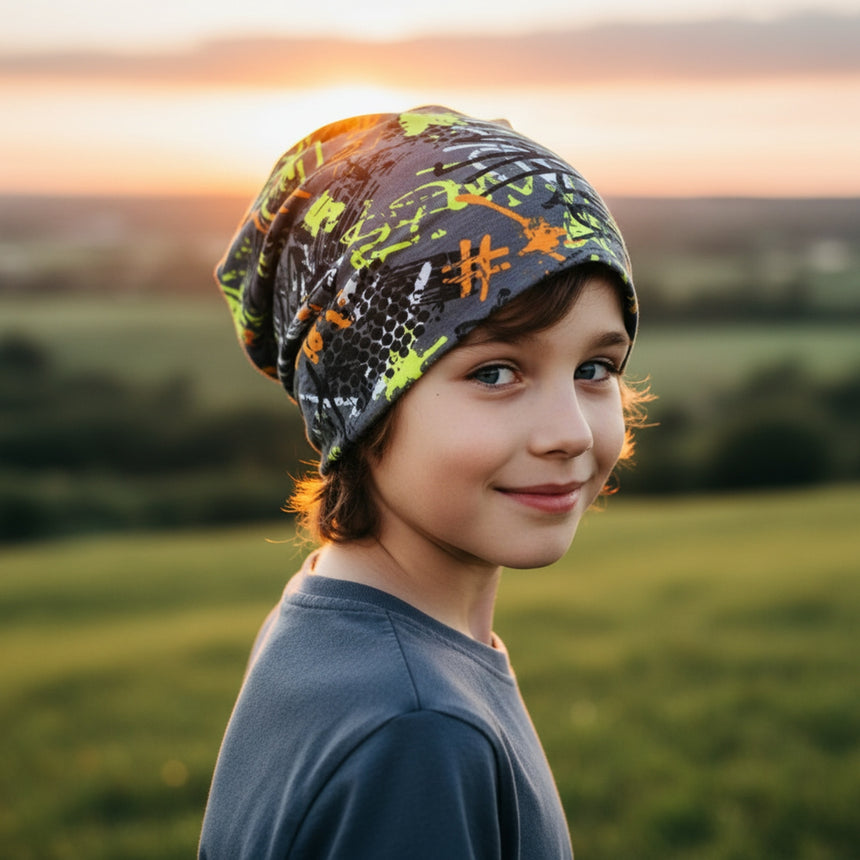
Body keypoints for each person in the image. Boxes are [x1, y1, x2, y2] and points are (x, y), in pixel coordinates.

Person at [199, 105, 647, 859]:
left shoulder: (337, 622)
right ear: (360, 402)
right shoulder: (417, 729)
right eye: (495, 372)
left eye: (594, 369)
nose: (570, 430)